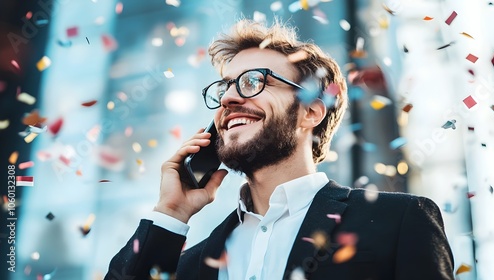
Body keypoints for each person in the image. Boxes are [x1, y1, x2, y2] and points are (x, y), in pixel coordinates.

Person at [105, 19, 454, 280]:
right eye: (224, 88)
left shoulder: (401, 220)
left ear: (310, 112)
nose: (228, 98)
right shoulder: (191, 264)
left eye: (254, 81)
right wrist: (170, 214)